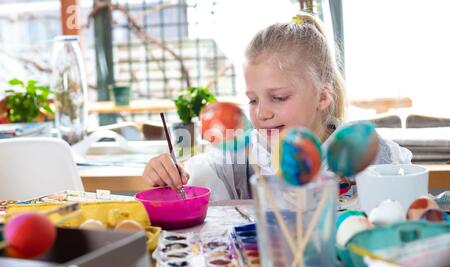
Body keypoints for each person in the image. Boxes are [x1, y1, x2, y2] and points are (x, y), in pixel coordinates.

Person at [142, 12, 412, 201]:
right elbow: (193, 177)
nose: (262, 113)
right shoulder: (242, 156)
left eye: (279, 97)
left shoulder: (365, 152)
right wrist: (168, 175)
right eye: (253, 100)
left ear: (322, 96)